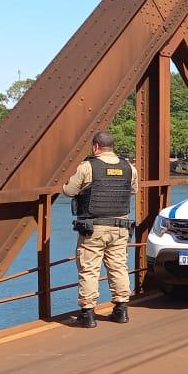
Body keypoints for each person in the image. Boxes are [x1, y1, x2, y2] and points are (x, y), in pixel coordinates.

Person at [62, 131, 138, 328]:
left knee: (89, 270)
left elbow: (69, 191)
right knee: (119, 267)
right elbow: (133, 190)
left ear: (95, 147)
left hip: (93, 228)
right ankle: (121, 310)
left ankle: (88, 314)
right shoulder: (130, 168)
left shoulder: (87, 167)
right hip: (120, 227)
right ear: (112, 147)